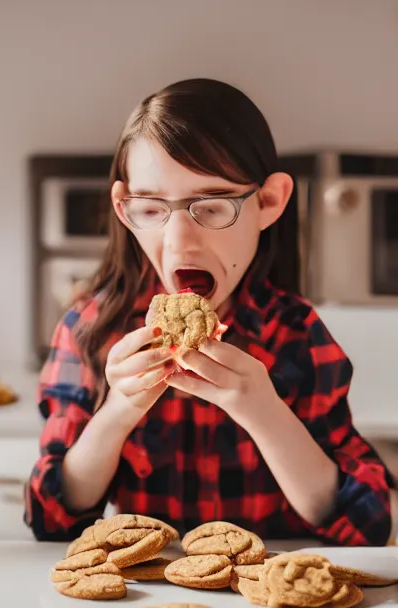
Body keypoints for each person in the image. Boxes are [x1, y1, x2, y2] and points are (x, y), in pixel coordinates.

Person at [24, 78, 393, 546]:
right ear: (124, 207)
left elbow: (368, 525)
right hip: (147, 597)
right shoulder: (90, 331)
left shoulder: (296, 335)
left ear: (269, 202)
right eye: (153, 208)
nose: (179, 241)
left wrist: (264, 412)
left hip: (271, 595)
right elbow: (50, 519)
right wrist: (118, 410)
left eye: (213, 206)